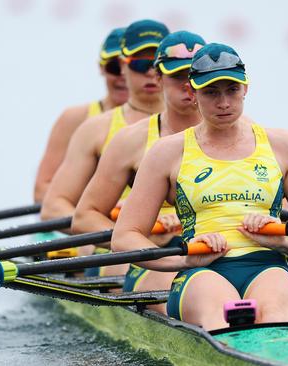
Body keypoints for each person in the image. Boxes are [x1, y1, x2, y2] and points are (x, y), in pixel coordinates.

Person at [111, 43, 288, 330]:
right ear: (193, 93)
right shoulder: (167, 152)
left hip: (268, 265)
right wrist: (185, 259)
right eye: (211, 92)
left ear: (246, 88)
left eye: (232, 90)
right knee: (220, 320)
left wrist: (283, 242)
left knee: (276, 317)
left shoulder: (283, 145)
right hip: (201, 271)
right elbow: (124, 238)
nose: (223, 102)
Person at [72, 31, 206, 311]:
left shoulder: (249, 137)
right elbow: (84, 217)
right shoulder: (130, 140)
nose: (189, 85)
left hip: (217, 253)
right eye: (178, 76)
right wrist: (140, 239)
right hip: (153, 257)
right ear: (160, 79)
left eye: (197, 76)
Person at [40, 19, 169, 272]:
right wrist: (127, 236)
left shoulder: (206, 126)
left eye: (158, 65)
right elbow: (53, 206)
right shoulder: (95, 127)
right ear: (123, 67)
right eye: (141, 64)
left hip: (182, 240)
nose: (151, 73)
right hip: (114, 242)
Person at [34, 28, 127, 204]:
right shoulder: (75, 118)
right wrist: (102, 209)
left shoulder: (173, 118)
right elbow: (41, 191)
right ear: (101, 68)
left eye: (136, 67)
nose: (123, 76)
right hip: (96, 222)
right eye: (115, 67)